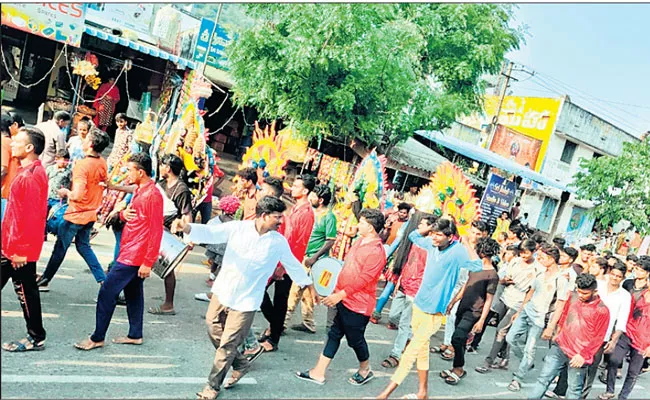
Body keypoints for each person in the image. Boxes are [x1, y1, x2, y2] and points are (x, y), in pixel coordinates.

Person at [171, 196, 318, 400]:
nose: (280, 221)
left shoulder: (278, 242)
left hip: (247, 301)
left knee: (227, 344)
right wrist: (185, 227)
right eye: (277, 217)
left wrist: (310, 285)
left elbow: (293, 265)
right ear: (264, 216)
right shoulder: (238, 228)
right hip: (223, 291)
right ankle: (241, 363)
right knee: (212, 327)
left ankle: (212, 386)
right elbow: (210, 233)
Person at [375, 218, 482, 400]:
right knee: (422, 352)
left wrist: (466, 243)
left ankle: (384, 395)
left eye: (439, 235)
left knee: (410, 353)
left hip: (434, 312)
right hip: (419, 304)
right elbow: (413, 235)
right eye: (433, 233)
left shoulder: (457, 251)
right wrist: (431, 230)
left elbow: (477, 266)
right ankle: (423, 392)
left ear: (450, 237)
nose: (434, 237)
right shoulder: (432, 244)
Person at [74, 153, 163, 351]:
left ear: (140, 172)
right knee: (133, 293)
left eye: (129, 170)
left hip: (134, 255)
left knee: (107, 292)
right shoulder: (141, 189)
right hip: (130, 250)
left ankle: (97, 337)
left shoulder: (152, 195)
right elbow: (133, 215)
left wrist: (148, 261)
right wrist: (122, 214)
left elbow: (156, 230)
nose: (126, 173)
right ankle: (135, 334)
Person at [295, 208, 387, 386]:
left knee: (355, 340)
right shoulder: (359, 241)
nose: (357, 225)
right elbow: (346, 269)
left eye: (361, 222)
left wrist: (340, 295)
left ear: (371, 228)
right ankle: (318, 372)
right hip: (343, 298)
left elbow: (365, 279)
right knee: (334, 334)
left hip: (359, 305)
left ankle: (365, 369)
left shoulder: (377, 252)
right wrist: (333, 292)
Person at [37, 129, 110, 291]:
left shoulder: (82, 165)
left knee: (60, 248)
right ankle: (104, 282)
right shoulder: (102, 163)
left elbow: (77, 195)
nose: (83, 141)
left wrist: (66, 192)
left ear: (90, 144)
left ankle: (45, 279)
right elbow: (104, 183)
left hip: (76, 213)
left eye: (86, 139)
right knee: (83, 247)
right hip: (90, 213)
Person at [1, 127, 48, 352]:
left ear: (29, 148)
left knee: (26, 292)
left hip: (18, 249)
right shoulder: (28, 171)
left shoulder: (29, 177)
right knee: (26, 291)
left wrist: (21, 250)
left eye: (17, 141)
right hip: (10, 245)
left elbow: (29, 218)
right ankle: (37, 335)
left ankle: (36, 337)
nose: (11, 144)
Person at [528, 273, 610, 399]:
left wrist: (583, 355)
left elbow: (598, 338)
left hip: (578, 355)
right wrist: (557, 333)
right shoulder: (573, 297)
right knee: (543, 379)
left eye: (585, 293)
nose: (581, 296)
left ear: (595, 291)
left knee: (574, 389)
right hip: (560, 346)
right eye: (579, 291)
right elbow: (565, 314)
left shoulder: (602, 310)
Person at [505, 243, 570, 392]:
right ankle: (527, 362)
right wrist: (519, 311)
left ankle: (518, 378)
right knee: (510, 338)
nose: (539, 260)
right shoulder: (540, 273)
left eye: (542, 257)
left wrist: (550, 327)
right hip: (527, 311)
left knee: (530, 348)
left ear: (552, 258)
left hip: (540, 318)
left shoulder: (561, 279)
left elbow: (560, 304)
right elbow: (530, 291)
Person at [259, 174, 314, 348]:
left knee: (278, 299)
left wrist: (283, 267)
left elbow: (299, 244)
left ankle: (274, 336)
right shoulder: (295, 208)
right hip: (279, 260)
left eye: (297, 186)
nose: (293, 188)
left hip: (287, 264)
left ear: (305, 190)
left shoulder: (306, 213)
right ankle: (274, 328)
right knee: (269, 296)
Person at [441, 238, 500, 385]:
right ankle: (456, 367)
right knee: (459, 340)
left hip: (474, 312)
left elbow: (488, 300)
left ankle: (459, 368)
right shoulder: (475, 267)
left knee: (457, 338)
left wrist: (481, 321)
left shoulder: (492, 275)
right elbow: (465, 286)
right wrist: (453, 301)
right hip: (462, 307)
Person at [475, 239, 538, 374]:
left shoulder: (537, 268)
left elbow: (531, 291)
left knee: (501, 330)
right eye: (521, 253)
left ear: (533, 252)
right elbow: (502, 279)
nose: (523, 256)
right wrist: (505, 281)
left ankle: (488, 361)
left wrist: (521, 310)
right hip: (505, 298)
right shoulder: (515, 261)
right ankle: (505, 358)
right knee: (504, 332)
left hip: (519, 303)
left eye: (526, 253)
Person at [380, 213, 434, 369]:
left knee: (404, 322)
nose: (418, 227)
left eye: (422, 224)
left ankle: (396, 354)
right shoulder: (417, 241)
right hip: (404, 284)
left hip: (416, 290)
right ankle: (411, 339)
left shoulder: (432, 246)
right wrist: (399, 281)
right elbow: (408, 261)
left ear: (430, 228)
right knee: (393, 315)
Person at [431, 220, 489, 360]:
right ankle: (446, 342)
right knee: (448, 313)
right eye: (473, 232)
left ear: (484, 235)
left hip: (468, 286)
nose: (475, 236)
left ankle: (453, 346)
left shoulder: (481, 250)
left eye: (478, 233)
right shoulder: (459, 244)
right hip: (453, 281)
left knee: (455, 315)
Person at [285, 183, 335, 334]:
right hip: (304, 256)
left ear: (320, 200)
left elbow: (330, 240)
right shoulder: (310, 212)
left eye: (313, 195)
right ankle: (309, 322)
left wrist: (314, 257)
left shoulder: (329, 217)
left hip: (312, 259)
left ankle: (283, 321)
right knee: (306, 291)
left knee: (295, 289)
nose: (310, 197)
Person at [599, 256, 650, 400]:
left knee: (633, 371)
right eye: (637, 269)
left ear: (647, 273)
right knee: (614, 360)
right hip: (626, 330)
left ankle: (623, 396)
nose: (638, 272)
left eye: (642, 270)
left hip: (644, 338)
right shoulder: (628, 284)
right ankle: (610, 390)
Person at [148, 154, 193, 316]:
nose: (160, 168)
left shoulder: (181, 190)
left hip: (169, 234)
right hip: (155, 229)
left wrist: (189, 238)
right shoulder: (161, 183)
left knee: (167, 270)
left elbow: (187, 215)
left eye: (162, 165)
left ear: (168, 168)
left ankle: (168, 304)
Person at [370, 202, 412, 325]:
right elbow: (391, 241)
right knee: (392, 289)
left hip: (398, 260)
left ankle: (380, 314)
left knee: (392, 289)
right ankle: (383, 316)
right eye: (401, 212)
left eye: (406, 213)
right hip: (399, 261)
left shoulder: (407, 226)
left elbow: (396, 244)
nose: (403, 214)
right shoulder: (403, 225)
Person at [194, 195, 242, 303]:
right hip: (224, 248)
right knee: (221, 264)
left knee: (213, 262)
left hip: (214, 245)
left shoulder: (217, 219)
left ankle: (212, 276)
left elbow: (208, 227)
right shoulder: (233, 222)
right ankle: (214, 277)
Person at [1, 111, 23, 203]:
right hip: (11, 192)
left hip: (4, 193)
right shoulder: (11, 142)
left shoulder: (3, 142)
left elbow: (3, 170)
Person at [45, 149, 72, 213]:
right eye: (63, 160)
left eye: (67, 160)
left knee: (56, 215)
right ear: (56, 159)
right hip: (48, 197)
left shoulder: (68, 172)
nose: (65, 162)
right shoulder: (50, 169)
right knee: (44, 213)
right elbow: (45, 180)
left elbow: (70, 184)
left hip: (59, 199)